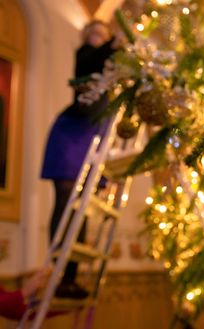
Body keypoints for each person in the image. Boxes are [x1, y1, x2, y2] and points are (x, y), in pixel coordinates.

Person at [41, 20, 119, 299]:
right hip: (69, 135)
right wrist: (115, 41)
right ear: (87, 38)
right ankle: (57, 269)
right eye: (93, 34)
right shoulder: (84, 56)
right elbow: (94, 57)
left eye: (102, 34)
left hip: (91, 137)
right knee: (64, 199)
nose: (97, 38)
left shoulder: (111, 73)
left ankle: (70, 277)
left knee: (82, 207)